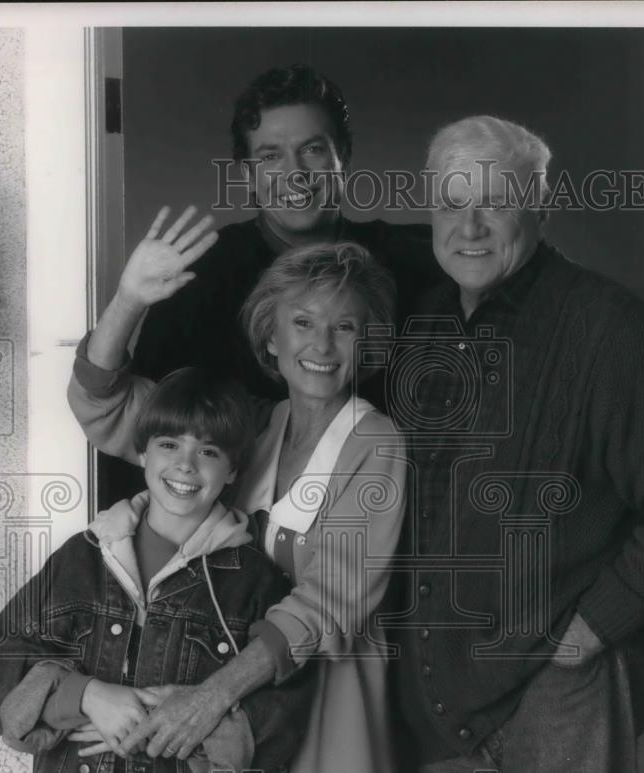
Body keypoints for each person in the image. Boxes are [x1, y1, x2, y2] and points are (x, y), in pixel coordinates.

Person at [67, 235, 410, 773]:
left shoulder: (377, 446)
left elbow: (329, 599)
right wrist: (128, 300)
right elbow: (101, 410)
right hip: (226, 759)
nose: (321, 345)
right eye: (302, 323)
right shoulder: (248, 429)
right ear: (268, 336)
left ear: (367, 342)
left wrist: (205, 698)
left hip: (324, 754)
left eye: (344, 326)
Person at [392, 115, 644, 773]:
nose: (469, 225)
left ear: (540, 207)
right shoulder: (421, 329)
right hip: (443, 692)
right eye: (451, 200)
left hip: (564, 688)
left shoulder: (608, 328)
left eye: (496, 201)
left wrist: (593, 627)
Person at [0, 368, 315, 773]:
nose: (187, 465)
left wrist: (195, 722)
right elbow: (1, 659)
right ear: (141, 451)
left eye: (209, 451)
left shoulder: (252, 583)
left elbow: (290, 707)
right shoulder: (83, 558)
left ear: (233, 470)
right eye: (169, 444)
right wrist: (86, 695)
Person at [95, 63, 441, 506]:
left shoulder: (410, 261)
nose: (295, 174)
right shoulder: (200, 276)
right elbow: (142, 428)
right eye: (270, 156)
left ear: (344, 155)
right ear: (246, 174)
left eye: (313, 149)